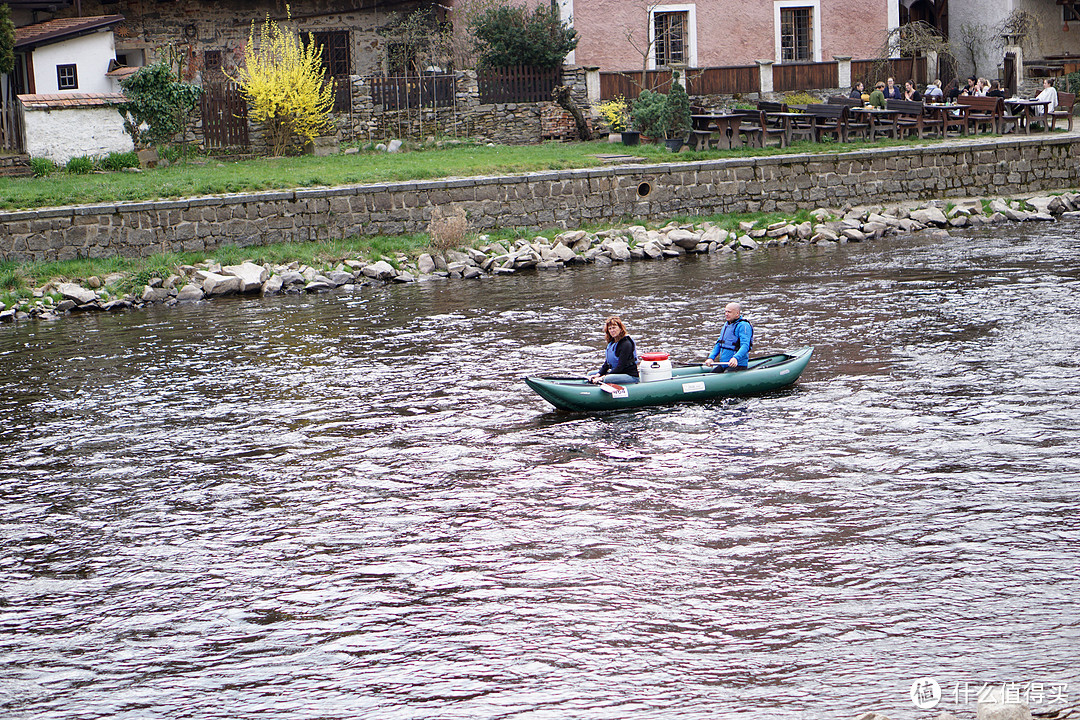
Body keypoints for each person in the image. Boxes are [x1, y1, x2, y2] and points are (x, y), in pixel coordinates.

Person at [589, 316, 639, 385]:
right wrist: (598, 374)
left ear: (620, 328)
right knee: (590, 374)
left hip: (629, 376)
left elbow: (620, 367)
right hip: (617, 373)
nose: (612, 330)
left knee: (607, 379)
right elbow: (607, 364)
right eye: (610, 329)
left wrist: (602, 377)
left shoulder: (626, 344)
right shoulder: (612, 343)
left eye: (614, 328)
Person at [704, 303, 753, 371]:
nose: (726, 314)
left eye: (729, 312)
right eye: (725, 311)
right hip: (724, 364)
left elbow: (745, 346)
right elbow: (719, 343)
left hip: (737, 364)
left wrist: (735, 358)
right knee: (713, 373)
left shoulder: (743, 326)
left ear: (737, 313)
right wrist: (711, 358)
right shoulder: (726, 325)